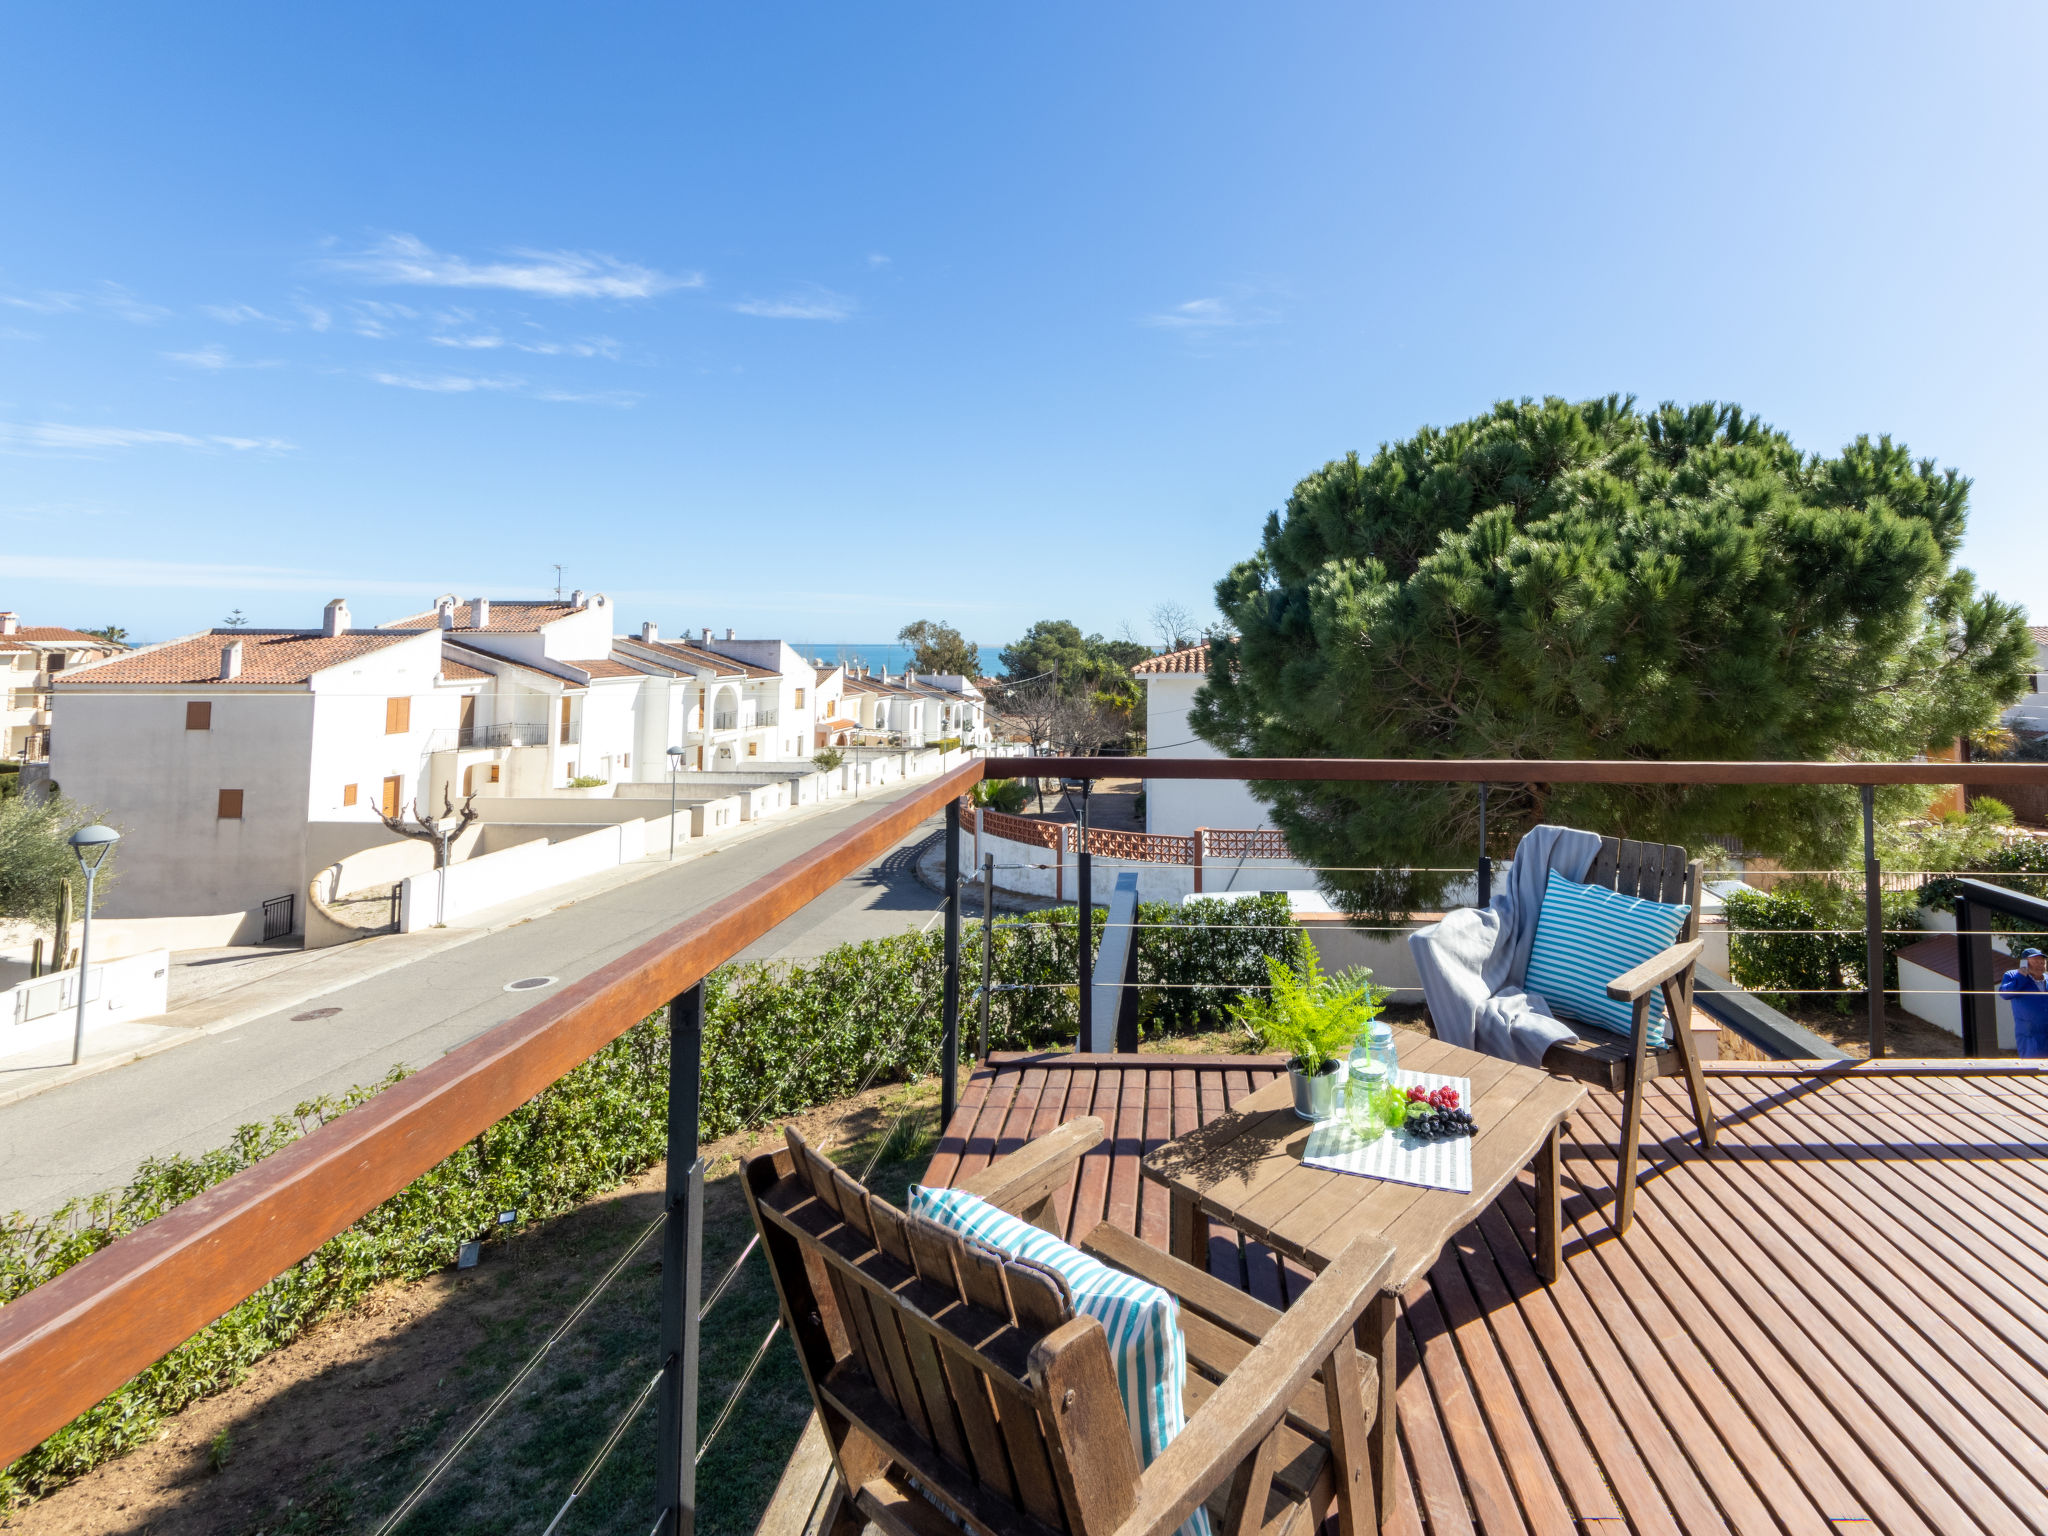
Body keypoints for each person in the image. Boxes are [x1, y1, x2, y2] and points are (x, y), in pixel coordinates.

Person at [1999, 947, 2048, 1058]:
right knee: (2032, 1067)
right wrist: (2021, 977)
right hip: (2030, 1035)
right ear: (2025, 962)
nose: (2041, 964)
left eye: (2043, 962)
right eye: (2036, 961)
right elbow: (2005, 994)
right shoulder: (2013, 976)